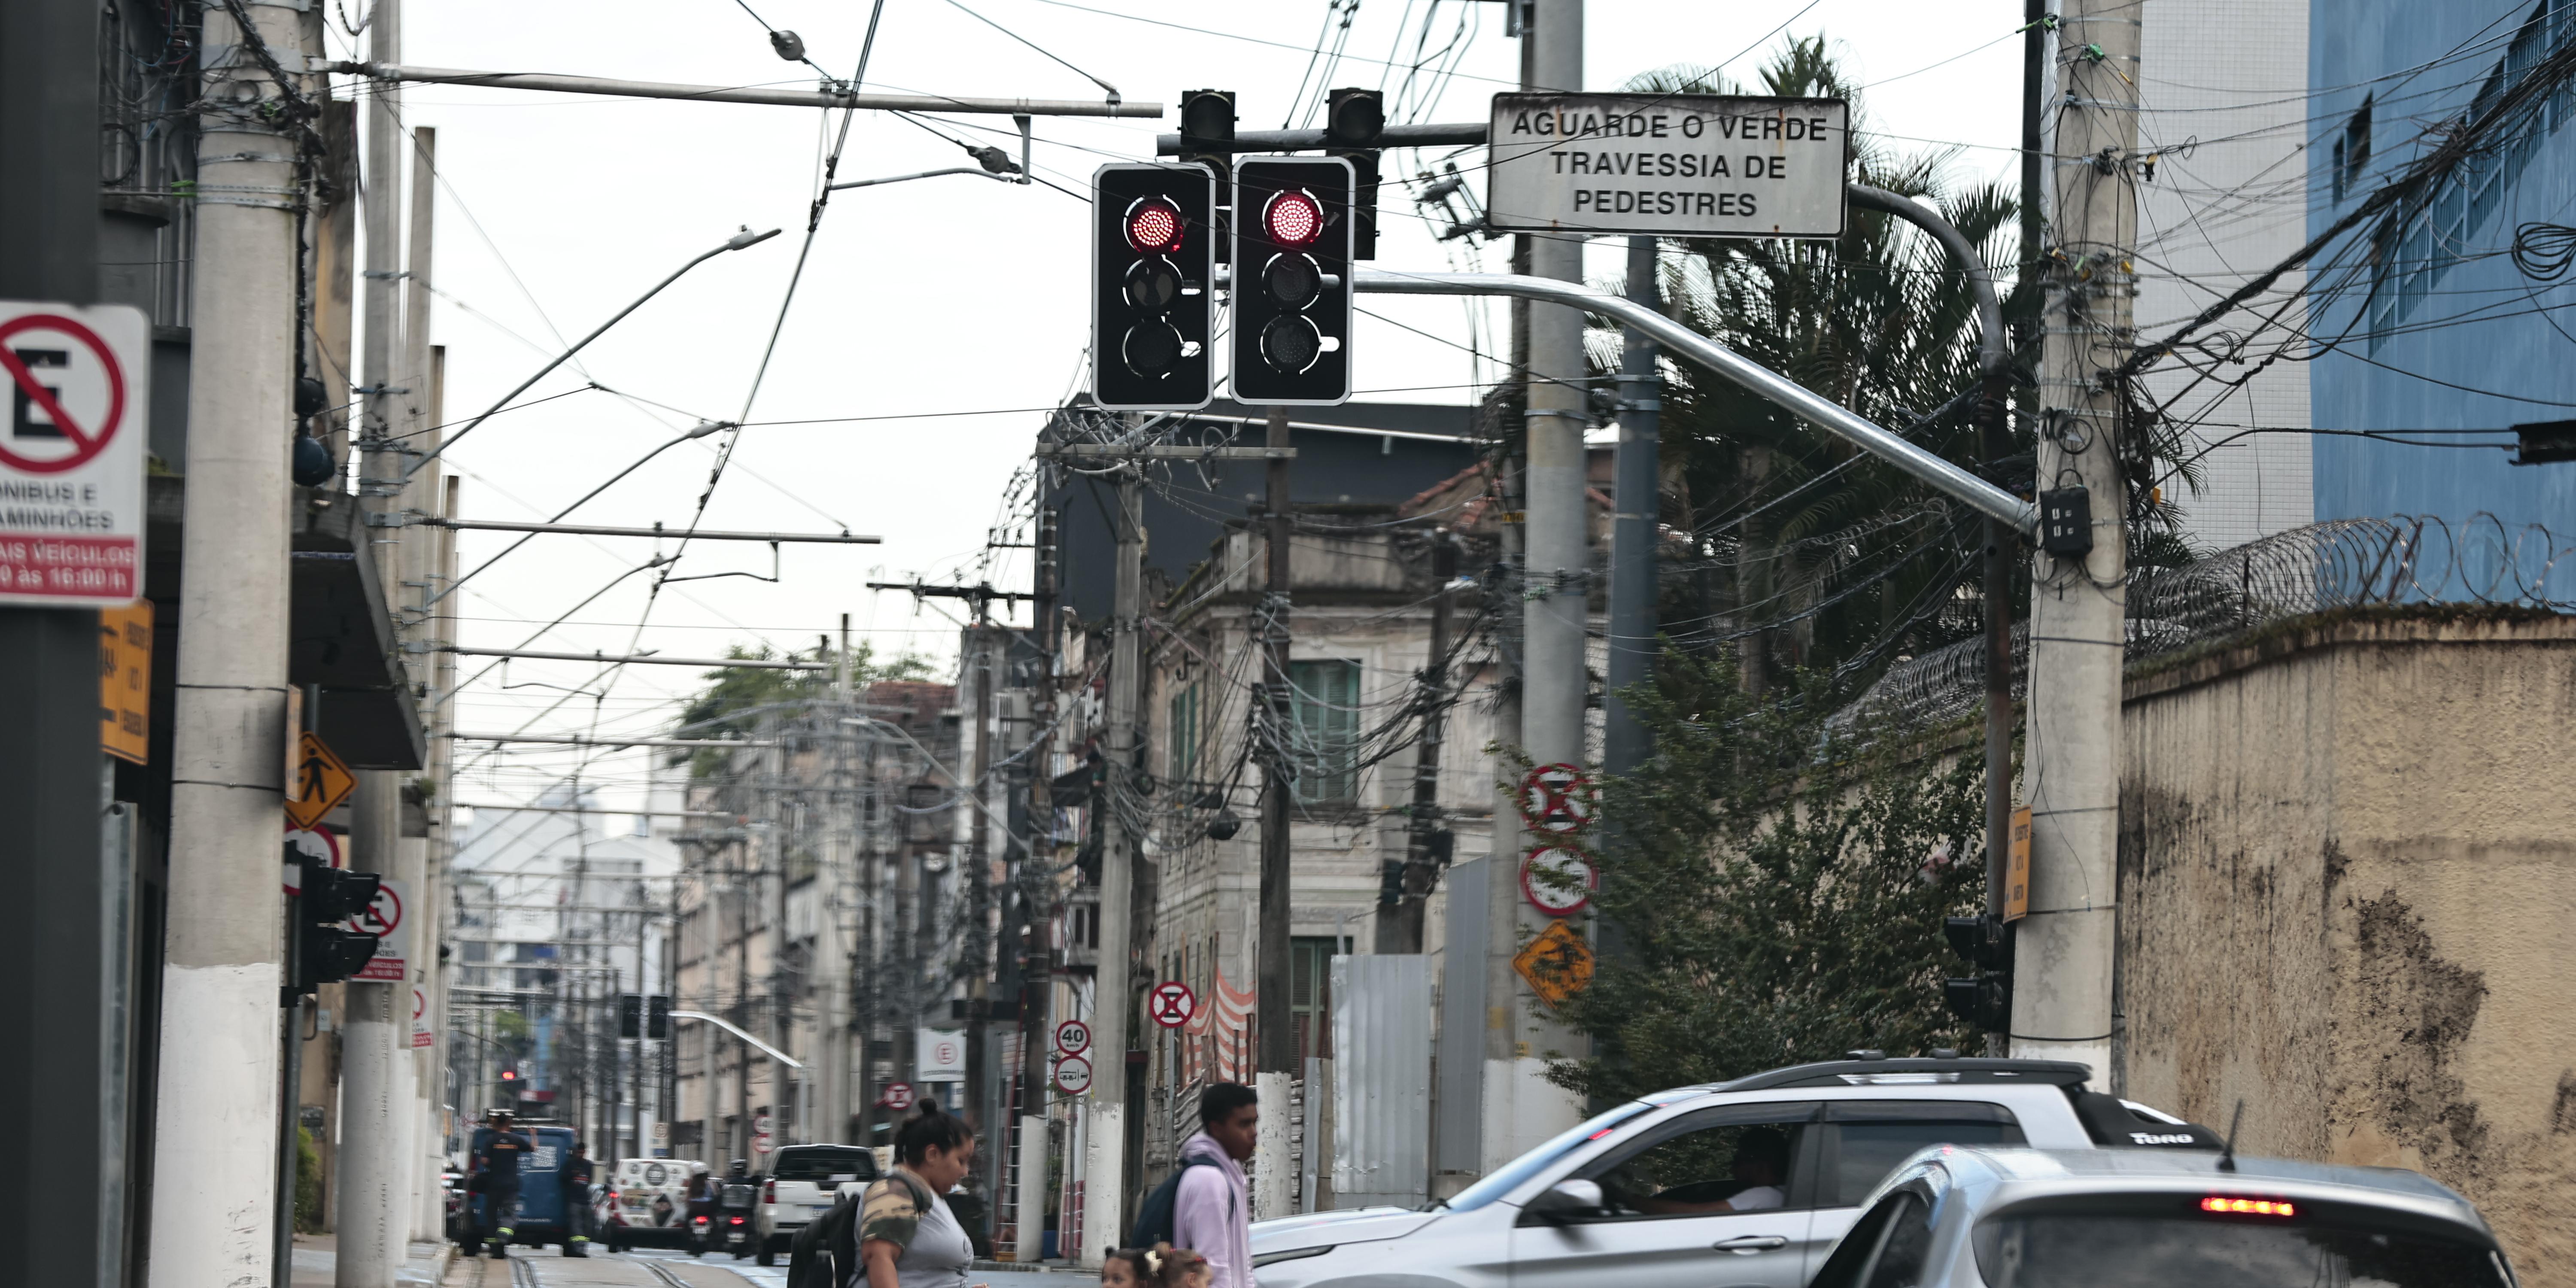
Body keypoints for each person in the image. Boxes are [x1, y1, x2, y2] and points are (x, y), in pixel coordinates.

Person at [857, 1109, 985, 1288]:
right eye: (961, 1160)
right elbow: (878, 1257)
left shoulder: (927, 1194)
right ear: (932, 1154)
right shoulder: (896, 1191)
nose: (965, 1172)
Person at [1170, 1083, 1256, 1288]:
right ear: (1217, 1129)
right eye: (1244, 1125)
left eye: (1255, 1123)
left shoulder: (1231, 1175)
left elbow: (1243, 1265)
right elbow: (1212, 1269)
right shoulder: (1209, 1180)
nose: (1254, 1133)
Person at [1634, 1127, 1791, 1215]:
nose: (1733, 1167)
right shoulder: (1782, 1193)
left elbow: (1692, 1213)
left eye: (1738, 1160)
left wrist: (1632, 1201)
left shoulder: (1764, 1196)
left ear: (1760, 1165)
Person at [474, 1112, 535, 1258]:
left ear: (496, 1123)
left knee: (491, 1215)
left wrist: (495, 1161)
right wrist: (533, 1134)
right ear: (509, 1123)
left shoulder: (491, 1139)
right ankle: (504, 1235)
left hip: (493, 1184)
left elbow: (484, 1161)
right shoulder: (516, 1139)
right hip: (510, 1185)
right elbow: (534, 1148)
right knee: (509, 1213)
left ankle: (494, 1246)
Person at [560, 1138, 597, 1255]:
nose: (581, 1155)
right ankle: (578, 1249)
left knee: (587, 1226)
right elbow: (563, 1179)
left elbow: (590, 1181)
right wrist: (572, 1174)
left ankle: (583, 1247)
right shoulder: (570, 1164)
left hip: (585, 1200)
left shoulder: (589, 1165)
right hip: (574, 1200)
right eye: (579, 1152)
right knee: (576, 1226)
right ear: (576, 1152)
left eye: (582, 1152)